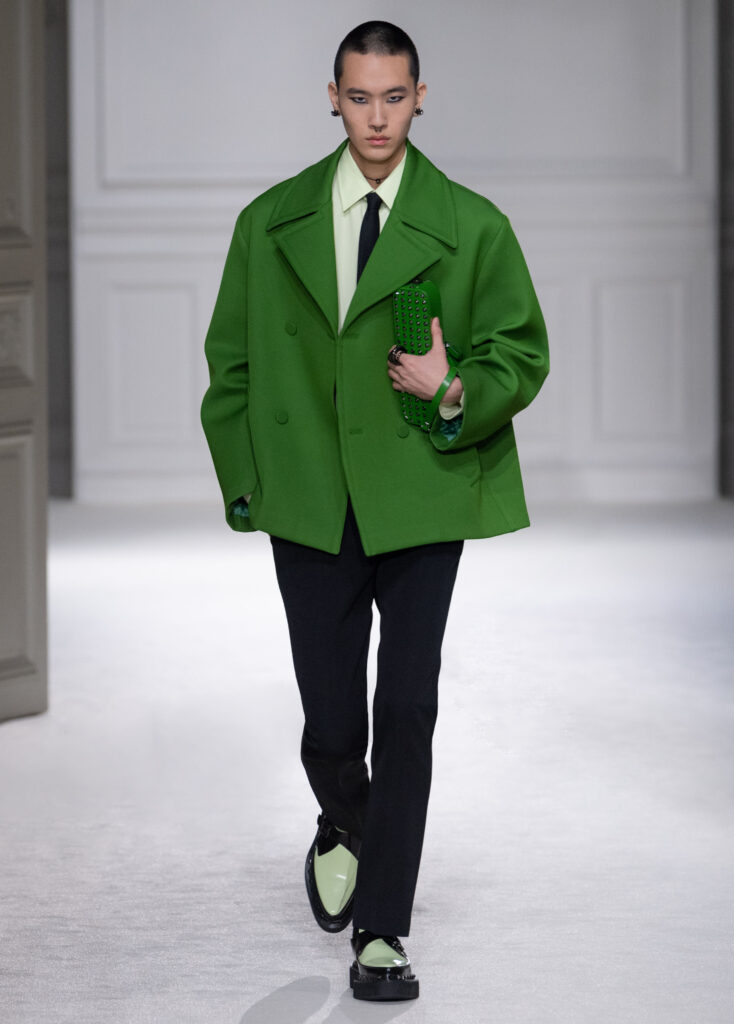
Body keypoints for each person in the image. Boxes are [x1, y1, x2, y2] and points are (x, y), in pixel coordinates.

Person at [200, 20, 548, 1002]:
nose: (378, 118)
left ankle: (383, 930)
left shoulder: (472, 224)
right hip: (309, 490)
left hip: (421, 487)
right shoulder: (270, 221)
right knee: (329, 717)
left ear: (420, 97)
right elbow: (230, 364)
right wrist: (247, 480)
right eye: (359, 97)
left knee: (406, 706)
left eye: (394, 97)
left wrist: (452, 388)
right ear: (333, 97)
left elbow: (520, 351)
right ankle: (344, 816)